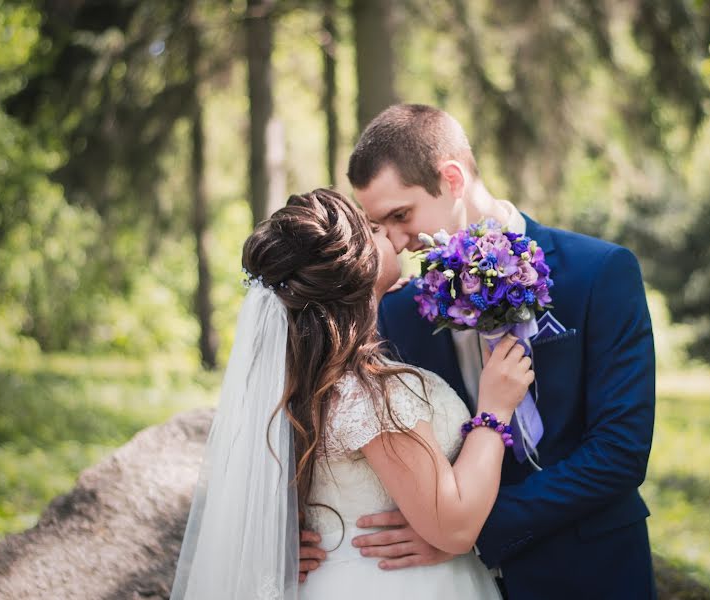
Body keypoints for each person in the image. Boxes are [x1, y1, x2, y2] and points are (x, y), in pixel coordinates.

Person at [301, 104, 657, 599]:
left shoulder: (600, 273)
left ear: (452, 178)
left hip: (592, 567)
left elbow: (620, 452)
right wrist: (299, 526)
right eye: (381, 225)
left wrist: (469, 534)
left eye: (401, 216)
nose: (399, 243)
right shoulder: (398, 311)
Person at [171, 188, 533, 599]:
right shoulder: (373, 394)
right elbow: (455, 527)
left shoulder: (298, 380)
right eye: (378, 230)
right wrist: (494, 410)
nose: (398, 238)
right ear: (360, 266)